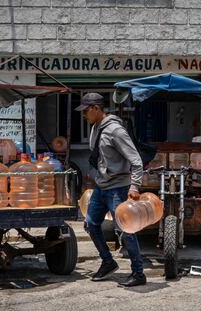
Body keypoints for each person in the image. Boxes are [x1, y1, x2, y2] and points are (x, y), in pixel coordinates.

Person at [75, 92, 146, 287]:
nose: (83, 115)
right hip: (101, 187)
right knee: (90, 224)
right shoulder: (96, 128)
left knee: (126, 230)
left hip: (118, 188)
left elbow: (136, 161)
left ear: (96, 108)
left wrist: (135, 186)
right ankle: (108, 261)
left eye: (86, 111)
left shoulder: (116, 130)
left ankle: (138, 273)